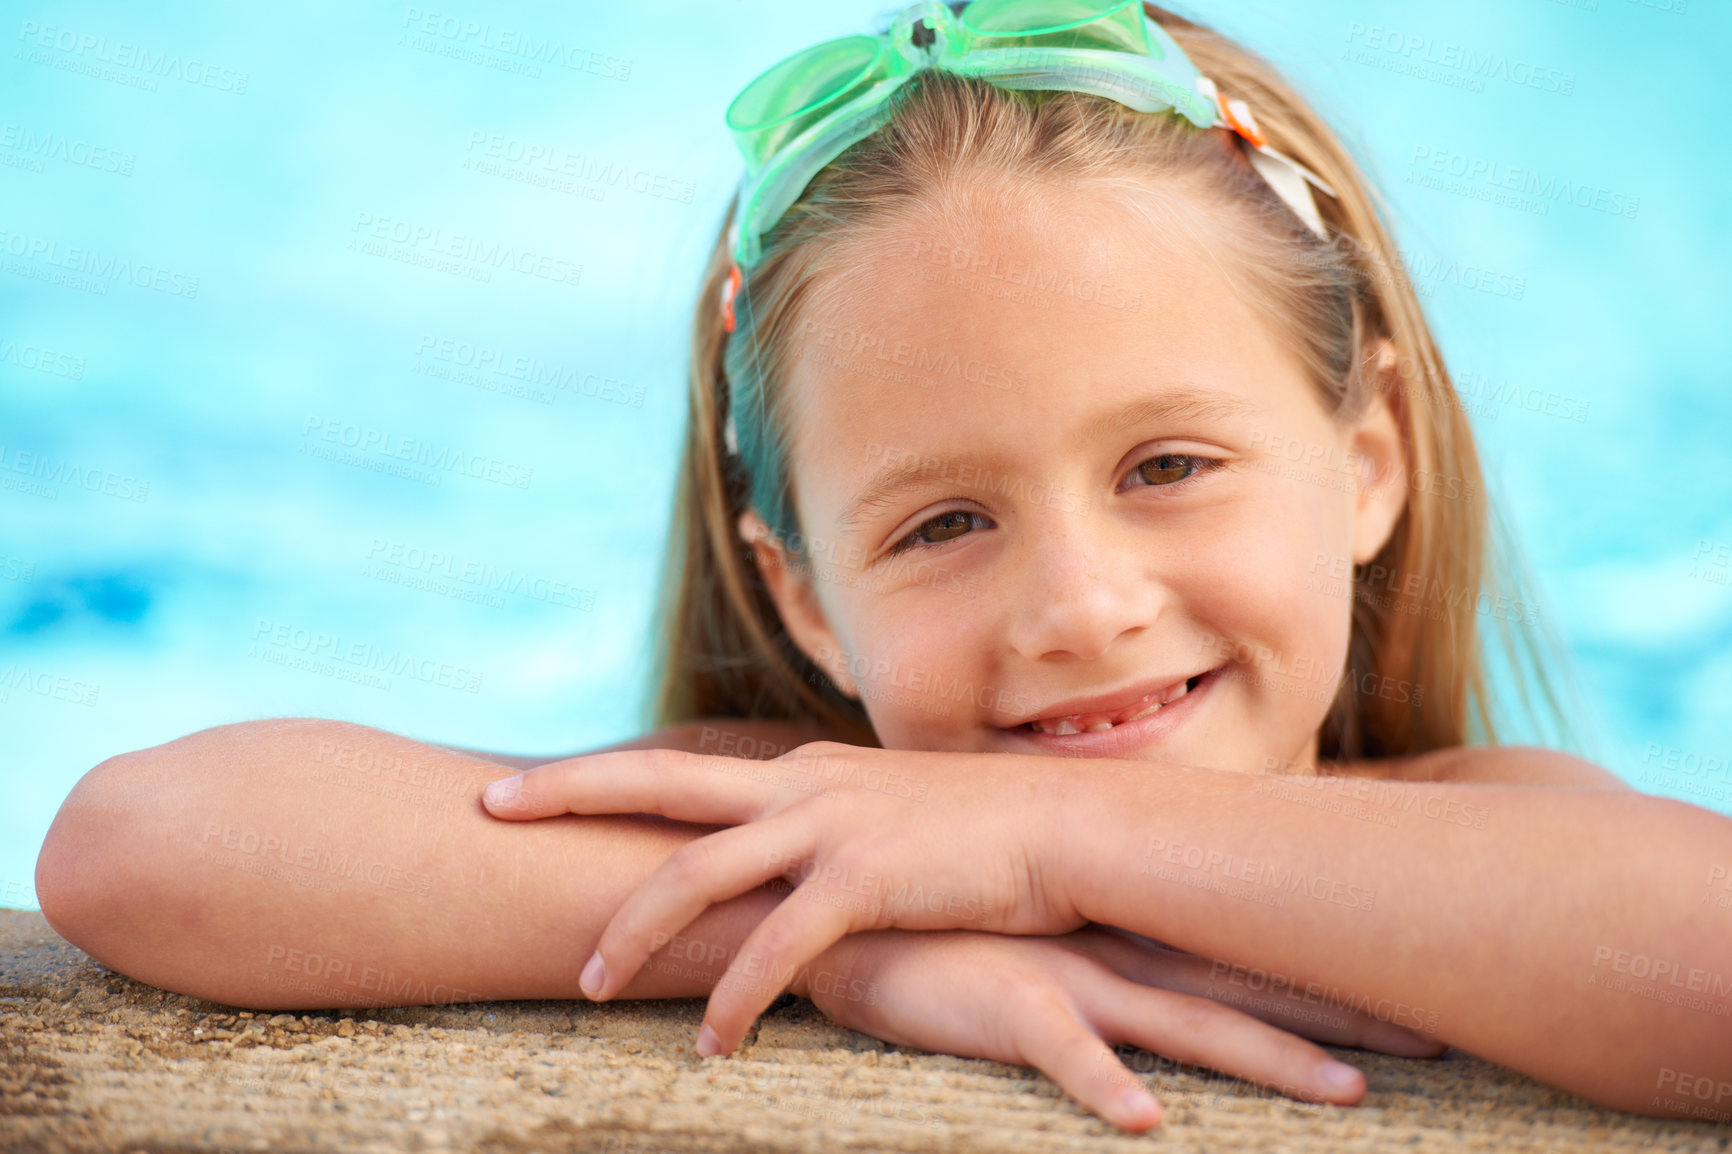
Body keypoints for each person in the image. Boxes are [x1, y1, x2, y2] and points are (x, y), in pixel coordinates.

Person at [33, 1, 1726, 1134]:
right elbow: (145, 844)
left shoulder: (1477, 822)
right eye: (942, 524)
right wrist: (831, 935)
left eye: (1169, 466)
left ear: (1368, 464)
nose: (1079, 605)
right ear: (801, 595)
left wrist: (1055, 830)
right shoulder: (811, 813)